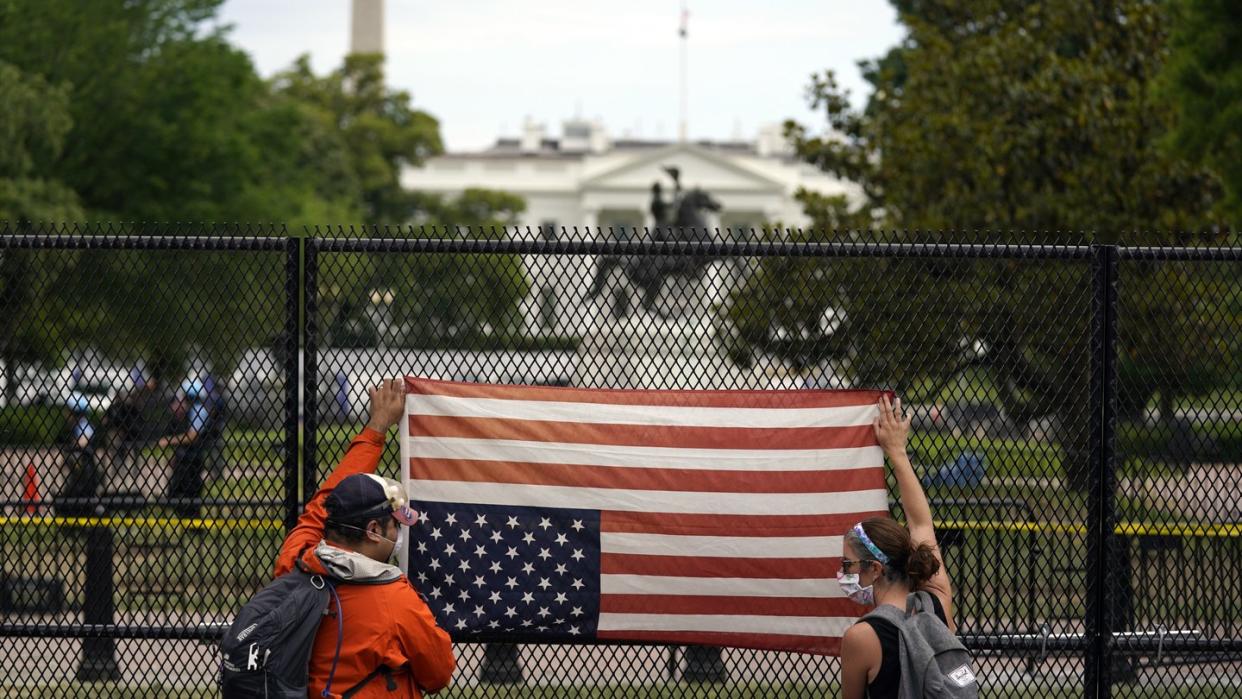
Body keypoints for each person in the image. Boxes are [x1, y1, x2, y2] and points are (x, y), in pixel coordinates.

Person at [272, 378, 454, 698]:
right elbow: (438, 673)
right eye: (393, 525)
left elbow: (322, 506)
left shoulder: (297, 561)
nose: (398, 533)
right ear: (373, 531)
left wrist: (376, 428)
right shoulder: (394, 598)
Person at [839, 395, 956, 699]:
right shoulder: (937, 604)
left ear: (875, 569)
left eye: (848, 565)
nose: (842, 574)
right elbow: (921, 525)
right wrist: (897, 451)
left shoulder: (861, 637)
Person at [158, 379, 210, 519]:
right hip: (184, 459)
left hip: (193, 460)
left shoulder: (199, 411)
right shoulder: (191, 412)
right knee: (175, 491)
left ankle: (193, 526)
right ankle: (184, 521)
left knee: (191, 494)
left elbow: (193, 436)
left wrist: (170, 441)